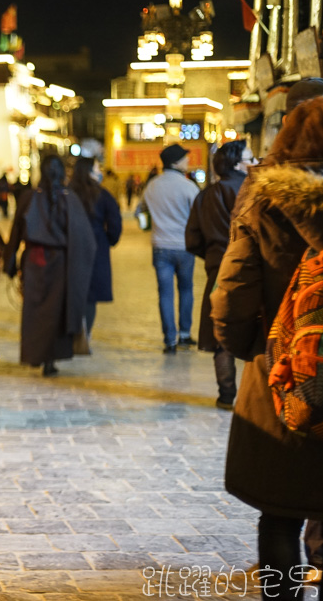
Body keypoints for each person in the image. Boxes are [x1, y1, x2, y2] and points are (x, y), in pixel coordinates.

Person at [211, 96, 323, 601]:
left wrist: (249, 348)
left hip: (283, 372)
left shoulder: (262, 201)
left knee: (280, 513)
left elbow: (232, 292)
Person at [3, 155, 96, 376]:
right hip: (61, 262)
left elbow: (16, 231)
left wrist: (9, 261)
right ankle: (50, 359)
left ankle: (36, 354)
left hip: (34, 260)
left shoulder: (29, 197)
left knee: (35, 311)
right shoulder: (69, 199)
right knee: (56, 311)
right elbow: (85, 239)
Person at [185, 140, 250, 410]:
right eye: (250, 157)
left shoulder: (206, 195)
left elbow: (192, 239)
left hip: (217, 272)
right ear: (236, 163)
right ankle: (256, 398)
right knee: (258, 330)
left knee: (220, 333)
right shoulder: (251, 192)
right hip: (249, 269)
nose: (254, 162)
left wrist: (213, 257)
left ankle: (226, 394)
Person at [136, 143, 200, 353]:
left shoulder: (153, 185)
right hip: (183, 246)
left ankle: (169, 340)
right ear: (175, 162)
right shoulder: (188, 186)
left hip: (160, 246)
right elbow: (199, 214)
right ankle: (184, 334)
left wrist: (149, 225)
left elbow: (140, 211)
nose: (187, 161)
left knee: (164, 293)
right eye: (184, 158)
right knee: (186, 289)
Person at [68, 156, 122, 338]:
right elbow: (115, 223)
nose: (100, 173)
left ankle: (72, 331)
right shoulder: (102, 195)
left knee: (72, 289)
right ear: (89, 172)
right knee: (90, 294)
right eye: (97, 169)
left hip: (70, 245)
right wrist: (109, 240)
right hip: (96, 246)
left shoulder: (68, 193)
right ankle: (85, 335)